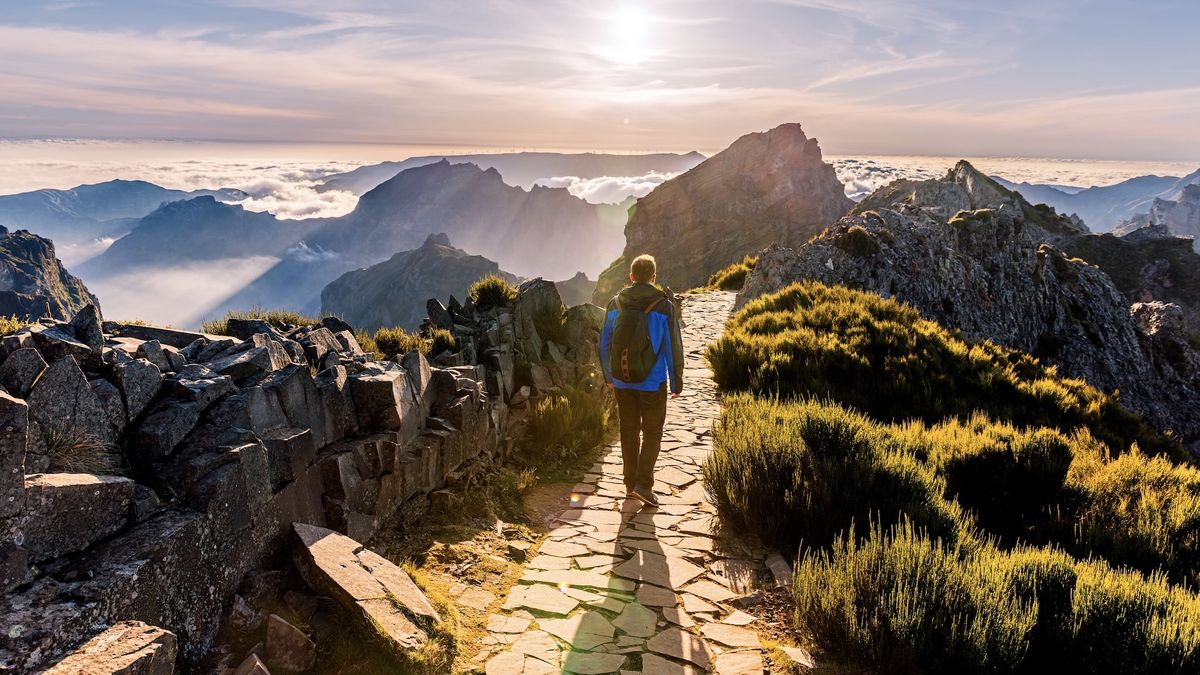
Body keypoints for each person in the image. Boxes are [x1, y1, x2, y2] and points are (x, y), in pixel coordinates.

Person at [600, 254, 684, 507]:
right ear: (654, 278)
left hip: (622, 381)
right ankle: (643, 486)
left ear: (631, 276)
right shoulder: (663, 306)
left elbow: (604, 343)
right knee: (652, 433)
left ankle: (629, 486)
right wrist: (675, 381)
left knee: (628, 432)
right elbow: (673, 346)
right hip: (653, 382)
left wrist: (608, 376)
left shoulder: (615, 303)